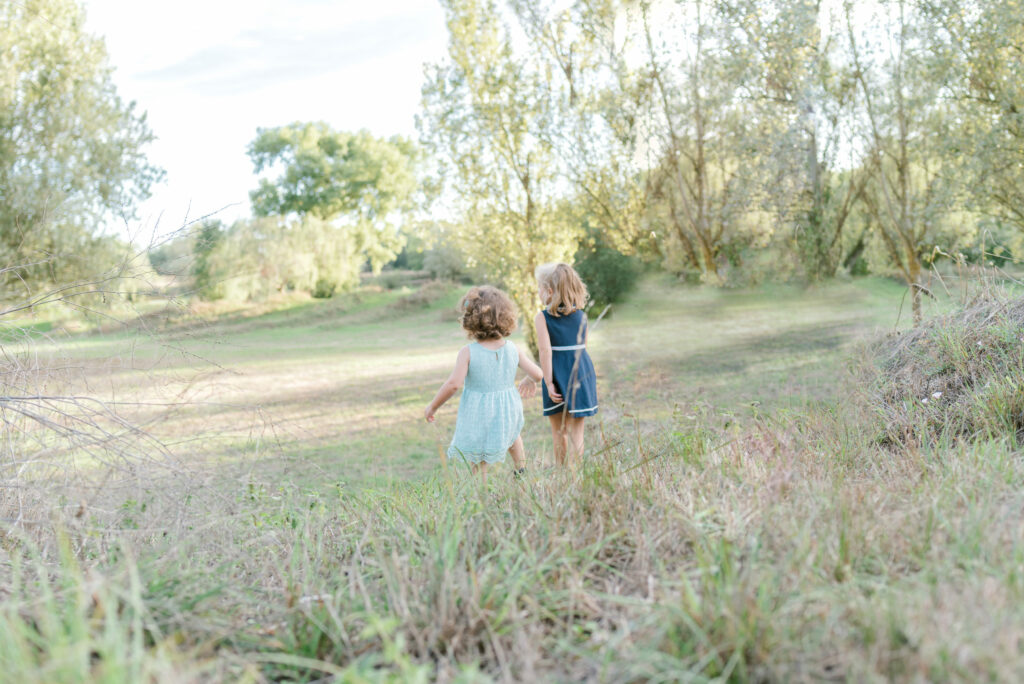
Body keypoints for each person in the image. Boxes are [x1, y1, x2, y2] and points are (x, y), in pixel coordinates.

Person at [425, 285, 543, 480]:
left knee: (479, 454)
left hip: (480, 413)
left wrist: (432, 406)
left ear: (471, 319)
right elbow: (538, 374)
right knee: (513, 435)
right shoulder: (513, 349)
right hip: (508, 409)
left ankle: (481, 492)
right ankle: (522, 475)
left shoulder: (468, 352)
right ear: (506, 316)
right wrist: (529, 379)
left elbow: (453, 384)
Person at [534, 263, 599, 466]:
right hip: (581, 372)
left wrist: (548, 381)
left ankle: (562, 474)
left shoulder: (542, 317)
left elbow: (545, 351)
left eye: (539, 288)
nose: (538, 292)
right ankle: (576, 475)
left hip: (556, 374)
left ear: (550, 291)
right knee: (576, 432)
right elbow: (582, 347)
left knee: (559, 431)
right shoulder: (582, 315)